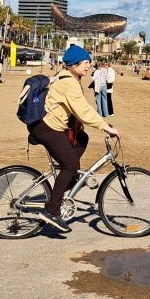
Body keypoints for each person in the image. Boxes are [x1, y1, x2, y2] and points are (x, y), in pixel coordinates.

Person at [30, 45, 120, 233]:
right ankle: (52, 211)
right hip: (46, 128)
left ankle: (68, 180)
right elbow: (83, 110)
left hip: (52, 125)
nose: (89, 66)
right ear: (76, 63)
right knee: (70, 164)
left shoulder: (69, 77)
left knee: (82, 139)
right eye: (86, 63)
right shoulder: (68, 82)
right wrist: (106, 126)